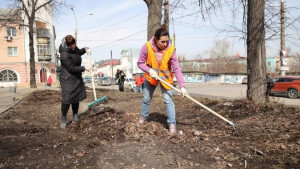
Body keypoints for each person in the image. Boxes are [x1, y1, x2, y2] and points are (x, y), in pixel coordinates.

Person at [137, 27, 188, 134]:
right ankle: (144, 117)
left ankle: (172, 123)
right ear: (156, 39)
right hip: (151, 76)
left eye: (167, 41)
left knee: (168, 99)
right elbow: (140, 63)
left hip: (165, 77)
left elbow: (177, 68)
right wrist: (149, 70)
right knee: (146, 98)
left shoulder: (171, 49)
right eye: (162, 42)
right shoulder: (146, 47)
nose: (165, 44)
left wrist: (182, 86)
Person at [58, 35, 89, 129]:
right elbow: (71, 68)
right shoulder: (64, 54)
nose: (73, 47)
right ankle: (63, 118)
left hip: (76, 76)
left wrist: (85, 49)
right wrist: (84, 68)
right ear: (66, 45)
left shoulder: (74, 48)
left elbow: (78, 52)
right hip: (67, 78)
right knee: (67, 99)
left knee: (76, 96)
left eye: (74, 44)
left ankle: (75, 115)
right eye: (70, 45)